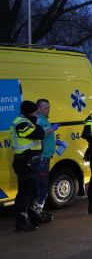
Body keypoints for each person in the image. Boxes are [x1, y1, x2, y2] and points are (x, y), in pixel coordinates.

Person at [9, 101, 47, 231]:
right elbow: (39, 134)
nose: (37, 114)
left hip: (29, 162)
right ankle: (21, 223)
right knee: (25, 194)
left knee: (32, 192)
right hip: (24, 162)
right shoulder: (22, 123)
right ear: (31, 112)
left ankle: (33, 217)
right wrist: (36, 122)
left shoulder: (26, 121)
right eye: (36, 112)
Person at [33, 99, 61, 223]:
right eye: (45, 107)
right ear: (38, 108)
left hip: (45, 157)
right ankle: (37, 211)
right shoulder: (39, 119)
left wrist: (55, 142)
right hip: (41, 159)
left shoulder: (44, 119)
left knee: (42, 185)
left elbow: (46, 138)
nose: (48, 109)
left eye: (48, 107)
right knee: (42, 186)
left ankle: (38, 210)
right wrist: (52, 129)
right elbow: (39, 134)